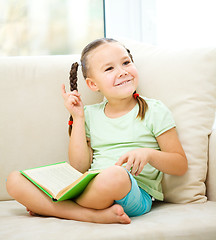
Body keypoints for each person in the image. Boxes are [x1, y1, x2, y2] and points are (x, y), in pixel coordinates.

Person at [6, 38, 188, 224]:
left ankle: (54, 206)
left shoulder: (154, 110)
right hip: (91, 187)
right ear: (93, 85)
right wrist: (78, 118)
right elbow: (79, 167)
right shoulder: (89, 115)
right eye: (110, 69)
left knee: (115, 174)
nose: (122, 71)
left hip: (133, 192)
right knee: (14, 180)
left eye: (126, 62)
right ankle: (89, 215)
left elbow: (180, 165)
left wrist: (148, 154)